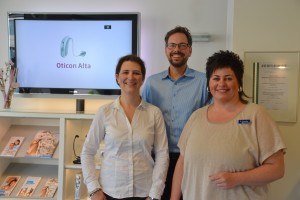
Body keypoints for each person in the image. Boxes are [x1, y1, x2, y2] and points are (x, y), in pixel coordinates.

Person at [171, 50, 286, 200]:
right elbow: (182, 162)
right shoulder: (196, 117)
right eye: (216, 78)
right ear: (209, 83)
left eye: (228, 78)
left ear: (239, 83)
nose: (221, 84)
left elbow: (277, 169)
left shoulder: (256, 115)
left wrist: (237, 178)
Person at [81, 54, 169, 200]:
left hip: (145, 193)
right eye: (125, 72)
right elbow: (88, 152)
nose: (131, 77)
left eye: (136, 73)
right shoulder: (104, 112)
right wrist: (93, 189)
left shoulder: (154, 113)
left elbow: (162, 155)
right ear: (117, 77)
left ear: (142, 78)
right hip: (110, 193)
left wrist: (155, 194)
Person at [142, 26, 209, 199]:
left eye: (182, 45)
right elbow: (145, 119)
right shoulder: (152, 83)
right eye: (171, 45)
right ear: (166, 50)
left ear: (190, 50)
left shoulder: (203, 82)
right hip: (157, 158)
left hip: (190, 157)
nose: (176, 50)